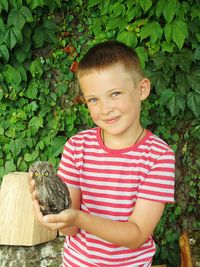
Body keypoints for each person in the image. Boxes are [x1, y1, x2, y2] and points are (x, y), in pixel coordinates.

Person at [29, 40, 175, 267]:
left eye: (115, 93)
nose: (105, 109)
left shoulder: (158, 156)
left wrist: (78, 217)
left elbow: (136, 235)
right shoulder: (77, 147)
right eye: (93, 99)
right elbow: (70, 227)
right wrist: (52, 214)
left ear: (142, 89)